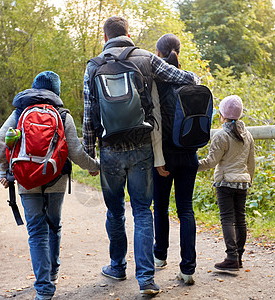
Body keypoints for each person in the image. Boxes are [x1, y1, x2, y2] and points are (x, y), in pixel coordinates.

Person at [83, 16, 199, 295]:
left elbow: (89, 115)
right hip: (142, 148)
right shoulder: (147, 59)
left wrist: (89, 156)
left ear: (105, 37)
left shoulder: (93, 66)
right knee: (143, 212)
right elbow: (190, 79)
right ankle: (146, 278)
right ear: (128, 33)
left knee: (115, 212)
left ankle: (117, 265)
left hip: (109, 149)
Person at [0, 71, 100, 300]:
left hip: (26, 179)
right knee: (54, 225)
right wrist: (94, 165)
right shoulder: (62, 114)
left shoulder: (20, 112)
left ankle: (44, 289)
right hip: (55, 177)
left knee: (36, 232)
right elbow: (75, 151)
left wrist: (4, 171)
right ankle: (53, 273)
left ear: (33, 89)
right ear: (57, 91)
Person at [152, 33, 198, 285]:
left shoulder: (157, 83)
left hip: (165, 156)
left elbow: (156, 125)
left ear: (158, 54)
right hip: (190, 155)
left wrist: (158, 158)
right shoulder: (192, 79)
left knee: (160, 207)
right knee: (186, 209)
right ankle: (188, 269)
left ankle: (160, 257)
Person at [197, 95, 255, 271]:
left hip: (225, 183)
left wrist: (192, 166)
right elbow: (251, 162)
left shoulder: (222, 135)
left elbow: (211, 162)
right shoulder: (248, 135)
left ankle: (231, 257)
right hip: (242, 182)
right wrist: (248, 179)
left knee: (227, 219)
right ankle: (239, 256)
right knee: (240, 219)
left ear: (222, 115)